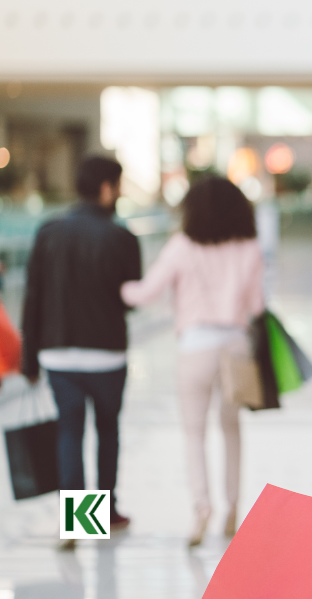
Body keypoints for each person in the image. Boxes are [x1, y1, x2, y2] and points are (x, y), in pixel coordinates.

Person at [121, 176, 263, 548]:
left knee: (193, 432)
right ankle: (233, 507)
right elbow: (258, 306)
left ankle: (201, 507)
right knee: (231, 429)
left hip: (195, 346)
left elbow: (145, 293)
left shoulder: (181, 246)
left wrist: (117, 288)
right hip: (235, 345)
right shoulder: (249, 246)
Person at [21, 156, 141, 548]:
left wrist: (29, 357)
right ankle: (106, 512)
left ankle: (76, 523)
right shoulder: (123, 238)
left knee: (69, 433)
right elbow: (131, 300)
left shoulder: (48, 232)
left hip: (58, 354)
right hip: (107, 354)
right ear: (107, 187)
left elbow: (33, 295)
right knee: (107, 431)